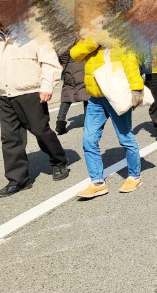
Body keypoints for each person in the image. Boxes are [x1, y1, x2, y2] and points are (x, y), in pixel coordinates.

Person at [0, 27, 70, 197]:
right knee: (10, 137)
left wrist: (47, 87)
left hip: (31, 92)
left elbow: (49, 62)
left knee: (40, 131)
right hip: (3, 94)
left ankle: (59, 161)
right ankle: (18, 180)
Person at [71, 38, 144, 199]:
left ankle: (134, 176)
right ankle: (97, 183)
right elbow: (75, 54)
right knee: (88, 139)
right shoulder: (90, 36)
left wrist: (136, 88)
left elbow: (130, 61)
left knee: (125, 137)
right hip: (95, 97)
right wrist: (94, 41)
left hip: (115, 95)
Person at [56, 43, 88, 135]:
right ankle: (88, 124)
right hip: (81, 66)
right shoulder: (77, 37)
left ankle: (60, 122)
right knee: (86, 95)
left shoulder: (59, 39)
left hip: (68, 70)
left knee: (67, 95)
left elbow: (60, 57)